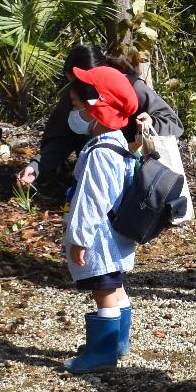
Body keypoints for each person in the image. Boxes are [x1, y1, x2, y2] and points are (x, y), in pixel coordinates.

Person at [24, 45, 191, 225]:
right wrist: (36, 166)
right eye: (73, 83)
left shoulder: (131, 88)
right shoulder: (74, 95)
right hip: (94, 182)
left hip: (137, 187)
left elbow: (173, 124)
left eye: (82, 86)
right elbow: (62, 138)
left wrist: (151, 122)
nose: (76, 91)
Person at [61, 66, 141, 375]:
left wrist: (79, 238)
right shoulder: (118, 142)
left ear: (96, 109)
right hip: (116, 235)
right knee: (116, 288)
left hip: (100, 237)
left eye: (78, 106)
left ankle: (102, 353)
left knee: (104, 292)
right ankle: (117, 343)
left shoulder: (98, 152)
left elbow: (90, 200)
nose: (75, 113)